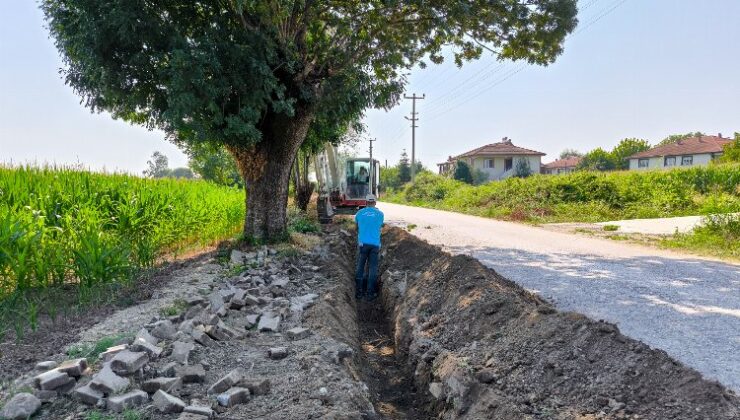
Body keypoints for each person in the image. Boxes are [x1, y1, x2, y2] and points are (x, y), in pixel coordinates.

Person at [355, 194, 384, 300]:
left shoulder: (359, 213)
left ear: (365, 203)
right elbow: (380, 225)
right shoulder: (380, 214)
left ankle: (359, 292)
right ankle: (370, 294)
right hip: (375, 245)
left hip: (363, 244)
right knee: (373, 268)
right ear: (375, 203)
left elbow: (356, 227)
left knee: (360, 266)